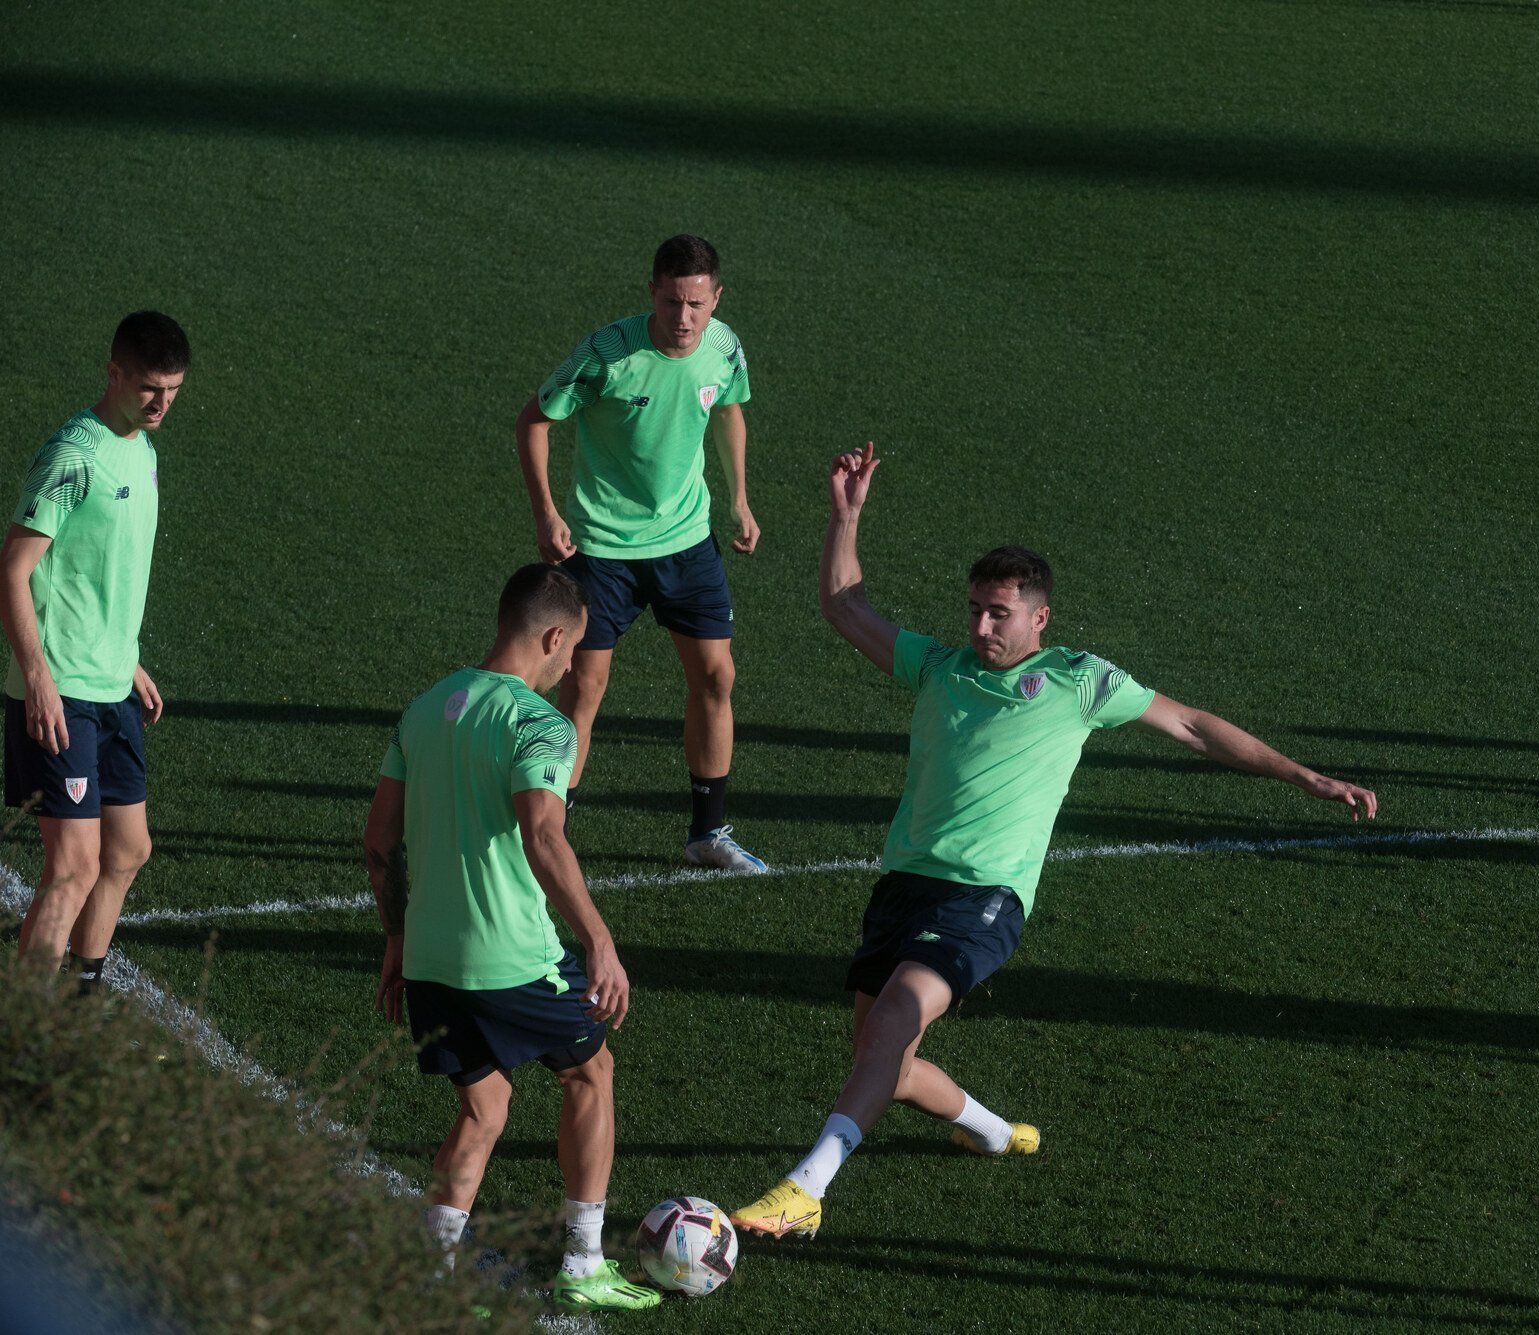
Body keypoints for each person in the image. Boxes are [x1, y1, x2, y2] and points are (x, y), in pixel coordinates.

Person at [729, 443, 1379, 1240]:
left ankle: (807, 1186)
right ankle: (993, 1129)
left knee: (897, 1015)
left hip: (985, 897)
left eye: (998, 612)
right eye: (974, 607)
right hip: (902, 886)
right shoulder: (939, 666)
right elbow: (844, 606)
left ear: (1040, 617)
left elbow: (1194, 725)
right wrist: (847, 514)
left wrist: (1303, 776)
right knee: (884, 1063)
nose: (979, 625)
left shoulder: (1079, 680)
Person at [362, 563, 656, 1312]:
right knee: (592, 1073)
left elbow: (377, 842)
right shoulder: (537, 722)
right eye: (571, 651)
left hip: (430, 956)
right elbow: (543, 833)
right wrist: (597, 937)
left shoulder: (424, 709)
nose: (568, 666)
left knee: (483, 1109)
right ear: (554, 636)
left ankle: (429, 1277)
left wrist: (397, 938)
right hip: (511, 959)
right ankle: (584, 1260)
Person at [515, 233, 766, 871]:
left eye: (698, 305)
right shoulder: (607, 355)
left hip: (688, 543)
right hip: (601, 549)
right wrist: (546, 512)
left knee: (716, 677)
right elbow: (535, 419)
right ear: (652, 289)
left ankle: (707, 835)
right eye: (673, 302)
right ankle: (549, 833)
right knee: (583, 688)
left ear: (717, 299)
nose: (684, 319)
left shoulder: (724, 346)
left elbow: (730, 409)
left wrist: (738, 498)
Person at [3, 311, 185, 988]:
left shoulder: (142, 450)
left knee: (128, 850)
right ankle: (24, 1029)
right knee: (73, 864)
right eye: (148, 388)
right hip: (62, 690)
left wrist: (126, 658)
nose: (162, 403)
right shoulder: (72, 454)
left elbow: (95, 571)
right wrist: (37, 676)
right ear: (113, 373)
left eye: (172, 389)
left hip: (110, 683)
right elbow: (15, 569)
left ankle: (78, 1003)